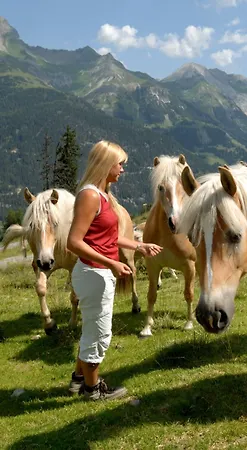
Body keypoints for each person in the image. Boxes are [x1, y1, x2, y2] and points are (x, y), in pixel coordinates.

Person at [67, 140, 162, 401]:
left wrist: (139, 246)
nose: (122, 169)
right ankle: (93, 389)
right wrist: (110, 262)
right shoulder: (90, 196)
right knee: (99, 333)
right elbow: (73, 242)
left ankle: (79, 380)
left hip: (98, 273)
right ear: (106, 164)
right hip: (94, 274)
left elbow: (107, 236)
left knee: (92, 329)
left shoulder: (104, 195)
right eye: (119, 164)